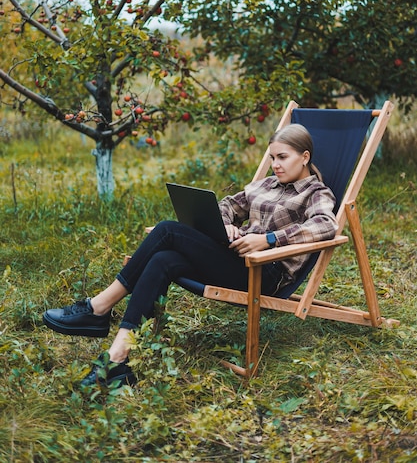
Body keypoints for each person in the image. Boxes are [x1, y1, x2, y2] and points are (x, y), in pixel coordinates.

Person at [43, 123, 338, 387]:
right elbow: (227, 206)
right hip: (236, 260)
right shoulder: (266, 184)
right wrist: (226, 226)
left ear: (305, 157)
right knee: (163, 260)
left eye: (282, 157)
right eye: (272, 157)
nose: (275, 164)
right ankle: (119, 357)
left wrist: (268, 240)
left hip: (265, 273)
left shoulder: (316, 193)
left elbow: (326, 225)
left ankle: (98, 308)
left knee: (168, 231)